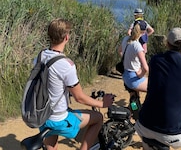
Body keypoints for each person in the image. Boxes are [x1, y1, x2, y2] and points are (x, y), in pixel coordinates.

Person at [37, 18, 114, 150]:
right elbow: (79, 97)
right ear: (67, 37)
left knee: (52, 142)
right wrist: (103, 104)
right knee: (98, 118)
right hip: (59, 118)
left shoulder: (40, 56)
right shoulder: (66, 65)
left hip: (42, 116)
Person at [135, 27, 181, 150]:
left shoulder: (155, 60)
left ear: (167, 44)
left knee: (148, 139)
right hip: (172, 132)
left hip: (144, 125)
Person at [119, 21, 149, 93]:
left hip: (125, 74)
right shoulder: (137, 46)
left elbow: (119, 51)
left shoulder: (125, 39)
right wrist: (140, 75)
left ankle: (134, 103)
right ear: (144, 32)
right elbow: (145, 68)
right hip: (133, 78)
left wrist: (126, 59)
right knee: (156, 86)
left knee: (134, 96)